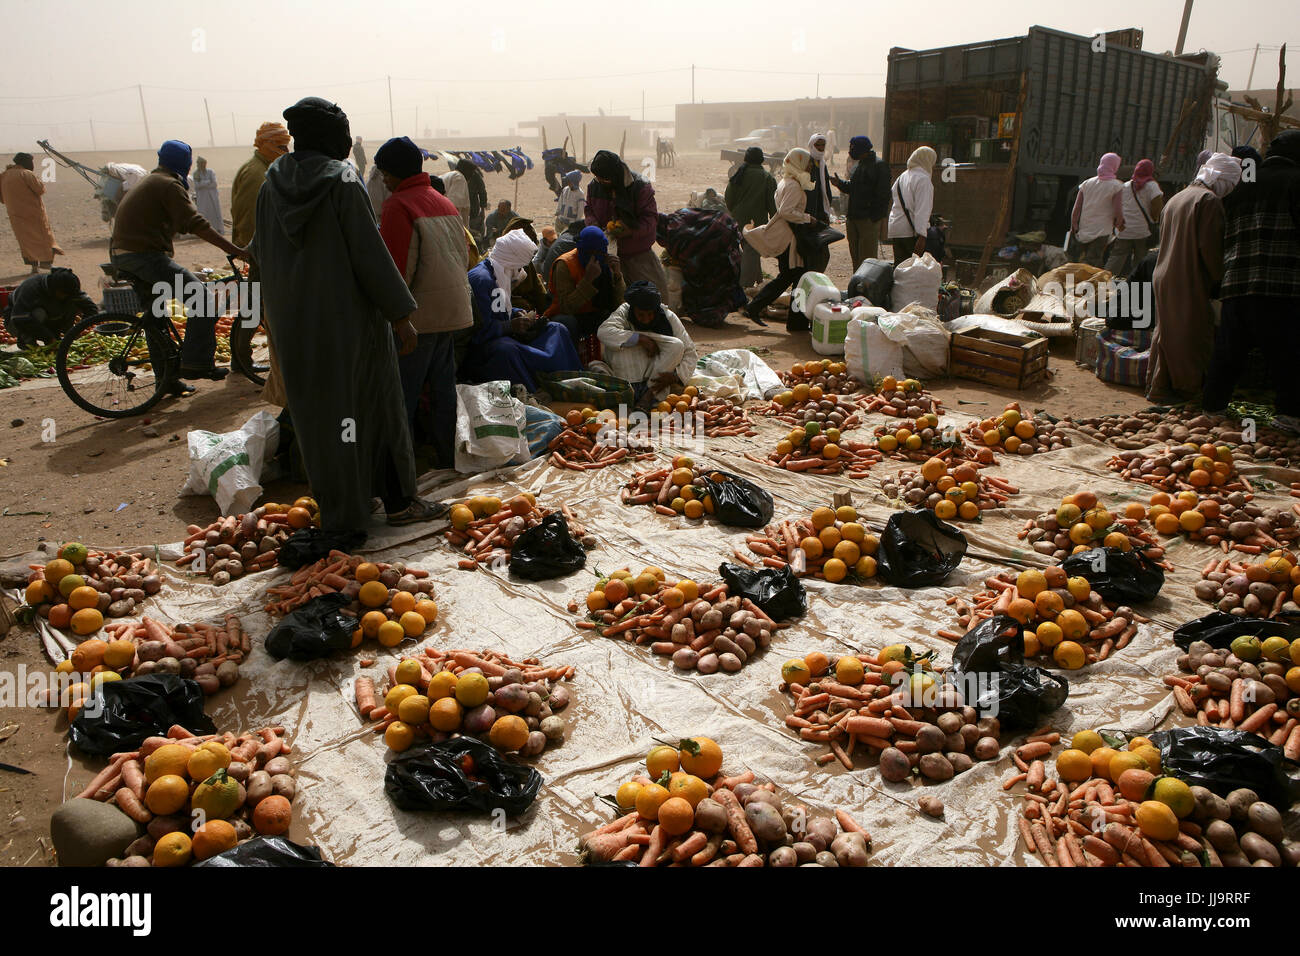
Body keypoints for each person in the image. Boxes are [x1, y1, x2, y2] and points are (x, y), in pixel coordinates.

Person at [252, 96, 441, 530]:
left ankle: (345, 510)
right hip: (350, 326)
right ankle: (396, 502)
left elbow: (259, 254)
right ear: (329, 135)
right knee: (375, 409)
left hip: (295, 328)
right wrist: (399, 314)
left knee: (326, 421)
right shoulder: (341, 180)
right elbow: (369, 254)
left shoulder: (269, 186)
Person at [110, 140, 247, 388]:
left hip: (124, 255)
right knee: (203, 300)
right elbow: (195, 223)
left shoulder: (152, 180)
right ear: (186, 164)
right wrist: (234, 250)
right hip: (143, 256)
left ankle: (166, 380)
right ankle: (196, 364)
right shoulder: (168, 184)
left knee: (157, 316)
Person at [372, 135, 471, 469]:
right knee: (444, 390)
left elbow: (396, 270)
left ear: (395, 172)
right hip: (454, 311)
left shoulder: (398, 205)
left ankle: (400, 465)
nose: (383, 180)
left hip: (419, 318)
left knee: (404, 393)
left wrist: (395, 316)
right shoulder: (444, 202)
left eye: (385, 173)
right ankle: (447, 457)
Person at [1202, 132, 1300, 431]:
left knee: (1229, 352)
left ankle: (1213, 407)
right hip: (1283, 286)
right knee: (1289, 355)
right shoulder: (1296, 180)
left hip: (1237, 283)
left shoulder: (1242, 186)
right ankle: (1288, 416)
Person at [1145, 152, 1242, 405]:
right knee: (1191, 333)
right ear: (1223, 179)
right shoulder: (1208, 200)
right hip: (1188, 276)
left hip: (1165, 273)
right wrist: (1221, 279)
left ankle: (1159, 386)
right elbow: (1210, 249)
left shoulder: (1179, 196)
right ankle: (1188, 389)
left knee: (1166, 331)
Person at [464, 229, 580, 392]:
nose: (520, 273)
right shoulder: (482, 279)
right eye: (519, 267)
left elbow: (501, 309)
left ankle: (569, 383)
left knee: (557, 329)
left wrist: (517, 313)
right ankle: (533, 391)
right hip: (485, 346)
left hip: (506, 334)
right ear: (511, 261)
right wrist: (510, 326)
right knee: (507, 349)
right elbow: (477, 330)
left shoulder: (500, 273)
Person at [741, 148, 816, 331]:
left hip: (787, 236)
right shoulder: (792, 186)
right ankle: (790, 320)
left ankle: (789, 319)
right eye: (807, 163)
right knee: (795, 279)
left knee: (791, 277)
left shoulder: (787, 182)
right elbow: (786, 211)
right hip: (788, 239)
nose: (810, 167)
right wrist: (808, 218)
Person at [597, 280, 697, 410]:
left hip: (655, 379)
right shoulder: (624, 312)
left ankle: (648, 396)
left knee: (676, 346)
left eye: (650, 314)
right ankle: (630, 396)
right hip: (627, 379)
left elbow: (690, 352)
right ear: (633, 310)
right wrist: (640, 338)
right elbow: (604, 332)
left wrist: (676, 376)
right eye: (641, 315)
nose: (646, 319)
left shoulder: (667, 316)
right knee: (617, 343)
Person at [584, 148, 667, 289]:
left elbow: (651, 219)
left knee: (655, 297)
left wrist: (630, 231)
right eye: (598, 178)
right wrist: (595, 226)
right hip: (607, 254)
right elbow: (589, 210)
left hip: (638, 254)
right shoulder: (594, 186)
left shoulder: (640, 186)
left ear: (615, 175)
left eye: (605, 179)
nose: (600, 181)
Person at [545, 224, 626, 339]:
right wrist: (588, 280)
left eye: (600, 252)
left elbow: (619, 303)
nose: (596, 257)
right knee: (567, 323)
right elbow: (566, 308)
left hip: (596, 314)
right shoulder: (565, 264)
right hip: (570, 315)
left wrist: (618, 275)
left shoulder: (605, 262)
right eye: (591, 253)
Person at [832, 135, 892, 269]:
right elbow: (854, 188)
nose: (849, 151)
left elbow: (884, 195)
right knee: (856, 259)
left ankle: (866, 288)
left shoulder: (879, 166)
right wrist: (840, 184)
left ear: (862, 149)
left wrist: (874, 218)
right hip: (853, 218)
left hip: (867, 220)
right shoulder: (859, 165)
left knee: (867, 260)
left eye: (852, 148)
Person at [724, 146, 777, 290]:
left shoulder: (738, 175)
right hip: (757, 223)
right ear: (762, 160)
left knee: (751, 251)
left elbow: (728, 199)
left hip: (738, 220)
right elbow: (773, 205)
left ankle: (758, 281)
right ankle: (744, 288)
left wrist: (736, 212)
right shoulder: (767, 178)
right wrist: (775, 222)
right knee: (751, 252)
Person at [4, 267, 97, 349]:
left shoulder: (68, 289)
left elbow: (91, 308)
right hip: (15, 321)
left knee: (73, 303)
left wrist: (78, 330)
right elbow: (19, 318)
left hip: (48, 319)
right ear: (55, 289)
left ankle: (55, 335)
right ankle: (27, 341)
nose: (66, 296)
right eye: (64, 294)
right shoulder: (32, 288)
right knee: (39, 313)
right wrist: (48, 337)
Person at [231, 122, 290, 248]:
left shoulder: (267, 169)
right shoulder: (256, 174)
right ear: (269, 145)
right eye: (282, 148)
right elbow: (249, 220)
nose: (287, 152)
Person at [1, 152, 62, 273]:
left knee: (25, 241)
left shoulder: (4, 175)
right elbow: (40, 190)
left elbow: (2, 198)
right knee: (43, 237)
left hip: (15, 215)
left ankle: (33, 266)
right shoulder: (26, 174)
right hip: (34, 214)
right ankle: (45, 262)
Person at [1104, 158, 1163, 278]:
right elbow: (1157, 208)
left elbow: (1118, 206)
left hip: (1124, 229)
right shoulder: (1152, 186)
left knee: (1117, 256)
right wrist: (1154, 220)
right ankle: (1137, 284)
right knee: (1140, 258)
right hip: (1143, 231)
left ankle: (1105, 281)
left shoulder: (1125, 186)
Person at [1071, 153, 1124, 267]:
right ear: (1115, 166)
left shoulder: (1086, 183)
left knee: (1079, 260)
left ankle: (1071, 282)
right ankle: (1091, 284)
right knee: (1093, 261)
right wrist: (1119, 224)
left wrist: (1074, 225)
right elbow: (1117, 210)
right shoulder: (1117, 186)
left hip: (1084, 228)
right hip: (1102, 230)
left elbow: (1076, 208)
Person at [887, 146, 936, 263]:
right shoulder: (923, 180)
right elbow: (922, 210)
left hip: (896, 228)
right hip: (910, 232)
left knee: (900, 269)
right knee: (913, 271)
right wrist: (922, 235)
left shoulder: (902, 176)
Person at [539, 218, 584, 285]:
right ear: (544, 240)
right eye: (550, 241)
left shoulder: (563, 237)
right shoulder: (574, 242)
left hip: (550, 278)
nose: (552, 242)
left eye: (554, 240)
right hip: (554, 282)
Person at [191, 156, 223, 235]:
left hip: (212, 197)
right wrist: (208, 182)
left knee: (214, 213)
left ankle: (217, 230)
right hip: (202, 198)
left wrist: (203, 184)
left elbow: (214, 184)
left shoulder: (210, 172)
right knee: (204, 213)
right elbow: (197, 185)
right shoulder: (196, 173)